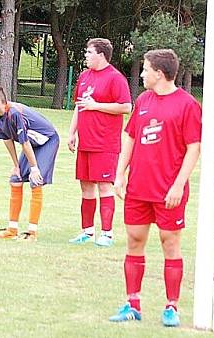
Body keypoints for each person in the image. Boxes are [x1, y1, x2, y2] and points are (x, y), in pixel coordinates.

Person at [108, 49, 202, 327]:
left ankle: (171, 306)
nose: (142, 73)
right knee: (134, 240)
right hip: (138, 188)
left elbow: (194, 148)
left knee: (169, 244)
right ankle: (132, 303)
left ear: (159, 74)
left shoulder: (187, 105)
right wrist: (119, 174)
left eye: (146, 69)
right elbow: (131, 138)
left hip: (169, 192)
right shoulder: (143, 100)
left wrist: (178, 185)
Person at [67, 38, 132, 247]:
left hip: (105, 144)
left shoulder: (115, 78)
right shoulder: (84, 76)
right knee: (85, 187)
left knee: (105, 187)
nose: (85, 55)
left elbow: (126, 107)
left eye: (89, 52)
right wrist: (72, 133)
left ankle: (107, 234)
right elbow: (79, 106)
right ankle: (87, 231)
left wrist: (97, 106)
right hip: (85, 143)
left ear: (101, 55)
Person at [0, 85, 59, 242]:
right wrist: (16, 165)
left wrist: (35, 168)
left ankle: (32, 233)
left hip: (47, 141)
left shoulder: (15, 113)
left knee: (35, 181)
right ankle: (12, 230)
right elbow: (7, 138)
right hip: (30, 144)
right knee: (15, 179)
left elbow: (25, 144)